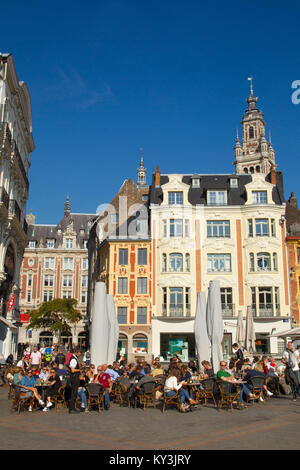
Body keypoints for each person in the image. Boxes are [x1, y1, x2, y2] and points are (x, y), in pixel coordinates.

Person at [68, 349, 81, 413]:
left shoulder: (74, 359)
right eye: (79, 354)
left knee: (74, 392)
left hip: (74, 377)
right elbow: (72, 370)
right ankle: (71, 408)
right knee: (74, 392)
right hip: (74, 377)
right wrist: (79, 370)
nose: (80, 355)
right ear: (76, 353)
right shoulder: (73, 359)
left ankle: (73, 407)